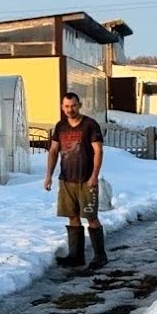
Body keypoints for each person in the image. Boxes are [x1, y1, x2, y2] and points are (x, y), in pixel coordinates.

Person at [42, 92, 108, 269]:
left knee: (91, 217)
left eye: (73, 106)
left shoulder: (89, 125)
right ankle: (76, 256)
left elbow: (98, 151)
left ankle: (100, 256)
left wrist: (94, 175)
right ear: (62, 107)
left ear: (79, 105)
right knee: (72, 216)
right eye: (66, 106)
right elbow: (54, 151)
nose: (70, 109)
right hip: (66, 180)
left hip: (86, 180)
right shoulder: (61, 126)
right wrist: (49, 175)